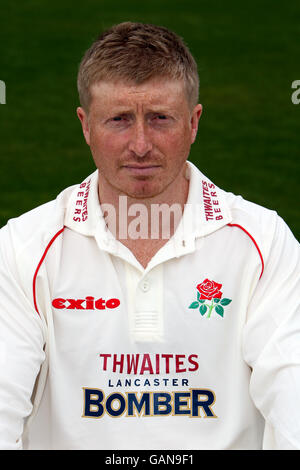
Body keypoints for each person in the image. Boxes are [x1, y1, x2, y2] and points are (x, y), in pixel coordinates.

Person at [0, 22, 299, 451]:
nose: (140, 145)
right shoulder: (22, 249)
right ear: (85, 126)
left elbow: (294, 403)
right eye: (119, 120)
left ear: (193, 123)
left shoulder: (264, 243)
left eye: (160, 119)